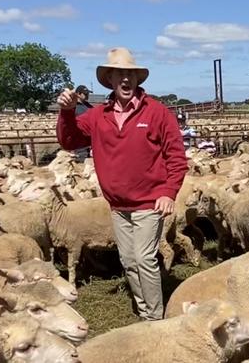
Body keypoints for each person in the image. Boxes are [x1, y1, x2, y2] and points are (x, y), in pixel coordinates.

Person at [55, 47, 188, 320]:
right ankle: (143, 309)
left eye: (130, 74)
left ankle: (154, 318)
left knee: (144, 259)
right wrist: (67, 113)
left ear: (137, 79)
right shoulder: (97, 116)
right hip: (117, 205)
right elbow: (69, 141)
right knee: (128, 262)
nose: (125, 79)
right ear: (111, 79)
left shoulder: (158, 113)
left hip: (150, 202)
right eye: (119, 74)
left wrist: (168, 192)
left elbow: (176, 157)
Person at [73, 85, 94, 161]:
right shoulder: (73, 107)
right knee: (80, 161)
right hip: (79, 140)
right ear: (78, 94)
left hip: (91, 140)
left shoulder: (90, 107)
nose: (87, 95)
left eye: (88, 93)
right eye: (85, 94)